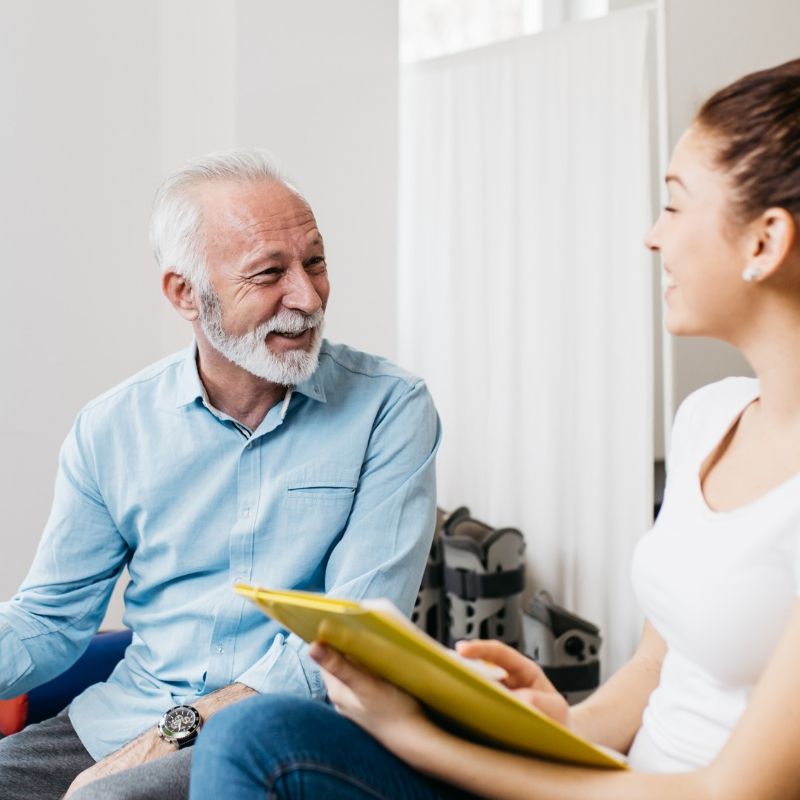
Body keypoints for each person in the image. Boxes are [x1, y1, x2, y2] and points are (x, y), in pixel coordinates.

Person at [188, 59, 800, 800]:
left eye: (673, 207)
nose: (651, 237)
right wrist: (550, 723)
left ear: (765, 242)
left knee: (261, 746)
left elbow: (725, 793)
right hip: (613, 779)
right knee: (254, 735)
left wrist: (417, 737)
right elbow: (652, 671)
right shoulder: (711, 418)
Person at [0, 149, 441, 800]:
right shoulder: (112, 428)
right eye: (270, 274)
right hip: (120, 717)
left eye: (315, 263)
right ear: (185, 293)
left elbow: (354, 639)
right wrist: (142, 741)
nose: (308, 296)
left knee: (106, 798)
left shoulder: (390, 409)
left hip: (286, 730)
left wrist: (170, 736)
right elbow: (51, 619)